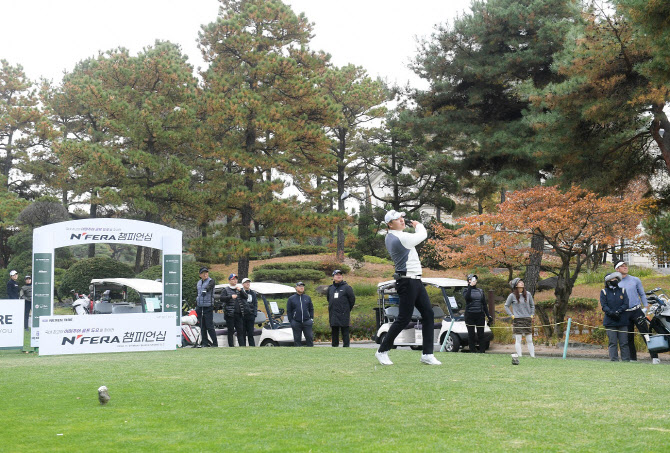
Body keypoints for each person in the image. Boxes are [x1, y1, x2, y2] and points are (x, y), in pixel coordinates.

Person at [376, 210, 441, 366]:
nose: (402, 220)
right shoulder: (400, 238)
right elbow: (422, 235)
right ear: (390, 224)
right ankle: (382, 351)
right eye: (397, 219)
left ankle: (427, 354)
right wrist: (419, 226)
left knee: (428, 314)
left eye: (401, 218)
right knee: (404, 319)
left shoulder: (393, 236)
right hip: (407, 282)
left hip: (416, 281)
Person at [614, 261, 660, 364]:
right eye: (622, 266)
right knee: (629, 336)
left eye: (625, 265)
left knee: (646, 334)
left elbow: (642, 294)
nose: (625, 267)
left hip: (637, 311)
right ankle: (633, 358)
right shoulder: (615, 282)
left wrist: (645, 307)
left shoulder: (635, 280)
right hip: (624, 313)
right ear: (617, 269)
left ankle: (654, 357)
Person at [600, 271, 630, 362]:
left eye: (616, 279)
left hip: (622, 320)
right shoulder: (604, 292)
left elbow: (626, 304)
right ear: (608, 281)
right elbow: (604, 305)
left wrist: (619, 311)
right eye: (613, 279)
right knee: (612, 342)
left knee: (624, 342)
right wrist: (611, 313)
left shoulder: (623, 290)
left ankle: (625, 360)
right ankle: (614, 360)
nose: (615, 280)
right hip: (610, 321)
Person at [504, 278, 535, 358]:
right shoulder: (512, 295)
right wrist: (512, 315)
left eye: (522, 282)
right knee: (518, 339)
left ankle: (533, 356)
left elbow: (532, 305)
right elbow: (506, 306)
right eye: (519, 282)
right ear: (516, 285)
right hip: (518, 319)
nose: (521, 283)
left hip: (527, 319)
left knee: (529, 339)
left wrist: (532, 314)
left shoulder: (528, 294)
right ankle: (520, 356)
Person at [463, 274, 493, 353]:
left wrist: (488, 314)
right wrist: (470, 286)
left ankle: (482, 351)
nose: (474, 281)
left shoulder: (480, 291)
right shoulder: (466, 290)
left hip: (480, 314)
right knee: (471, 334)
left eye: (475, 280)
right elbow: (467, 298)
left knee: (481, 334)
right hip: (470, 315)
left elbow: (484, 304)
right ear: (468, 281)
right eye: (471, 279)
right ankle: (472, 350)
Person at [327, 269, 356, 347]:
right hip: (333, 314)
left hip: (344, 314)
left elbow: (352, 300)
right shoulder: (330, 288)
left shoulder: (347, 287)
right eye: (337, 275)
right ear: (333, 277)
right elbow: (329, 299)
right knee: (334, 332)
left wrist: (346, 309)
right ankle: (334, 347)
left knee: (345, 332)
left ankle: (346, 347)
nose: (339, 276)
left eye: (340, 275)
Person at [220, 273, 247, 347]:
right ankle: (231, 346)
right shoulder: (226, 289)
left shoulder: (239, 289)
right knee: (230, 331)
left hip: (239, 314)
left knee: (240, 331)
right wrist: (230, 297)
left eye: (236, 279)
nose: (235, 281)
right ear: (229, 280)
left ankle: (242, 345)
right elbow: (221, 298)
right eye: (233, 279)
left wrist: (241, 291)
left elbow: (246, 297)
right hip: (230, 314)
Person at [195, 267, 218, 348]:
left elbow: (210, 286)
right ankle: (204, 342)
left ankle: (215, 343)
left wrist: (206, 290)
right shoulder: (198, 282)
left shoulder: (211, 281)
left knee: (209, 326)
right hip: (200, 307)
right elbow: (198, 294)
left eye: (206, 272)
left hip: (208, 306)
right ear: (200, 275)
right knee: (202, 326)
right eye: (203, 273)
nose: (205, 274)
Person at [286, 282, 314, 347]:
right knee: (297, 339)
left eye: (303, 286)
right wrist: (291, 321)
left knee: (309, 337)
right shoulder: (291, 298)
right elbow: (289, 311)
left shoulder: (307, 298)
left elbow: (311, 309)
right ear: (296, 288)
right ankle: (298, 354)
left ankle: (311, 352)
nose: (302, 287)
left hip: (307, 321)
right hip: (296, 322)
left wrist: (311, 319)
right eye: (300, 286)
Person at [240, 278, 258, 347]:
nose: (248, 284)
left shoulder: (252, 293)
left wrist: (254, 314)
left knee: (250, 333)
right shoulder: (240, 292)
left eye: (248, 282)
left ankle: (252, 346)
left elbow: (255, 304)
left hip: (251, 315)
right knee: (243, 333)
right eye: (246, 282)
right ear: (243, 284)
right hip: (243, 315)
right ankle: (243, 347)